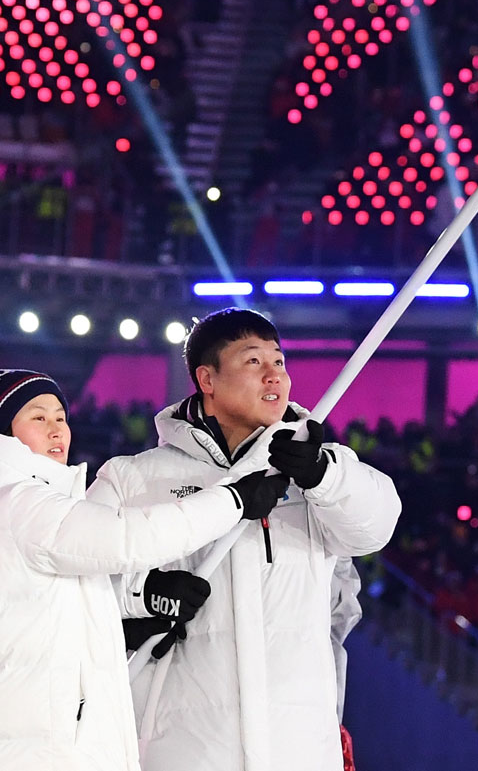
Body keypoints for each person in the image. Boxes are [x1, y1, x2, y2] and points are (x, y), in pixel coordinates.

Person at [85, 308, 402, 770]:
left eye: (280, 361)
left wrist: (323, 475)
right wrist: (143, 593)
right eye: (254, 362)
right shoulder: (134, 480)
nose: (275, 374)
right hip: (183, 748)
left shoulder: (321, 468)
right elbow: (74, 581)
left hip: (297, 748)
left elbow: (375, 526)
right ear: (207, 379)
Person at [0, 369, 288, 770]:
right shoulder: (21, 504)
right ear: (1, 435)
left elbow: (43, 611)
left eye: (61, 417)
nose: (56, 431)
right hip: (42, 752)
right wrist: (232, 501)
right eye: (38, 417)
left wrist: (124, 624)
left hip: (15, 744)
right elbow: (129, 538)